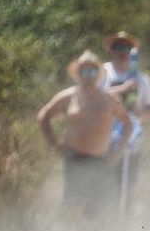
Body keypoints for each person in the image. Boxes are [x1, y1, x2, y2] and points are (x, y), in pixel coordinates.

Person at [37, 50, 132, 217]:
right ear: (79, 73)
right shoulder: (67, 96)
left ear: (98, 74)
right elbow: (43, 116)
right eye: (85, 71)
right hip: (75, 159)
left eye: (92, 71)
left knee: (100, 206)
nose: (88, 75)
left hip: (101, 159)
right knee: (73, 205)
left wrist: (119, 152)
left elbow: (128, 124)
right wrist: (53, 144)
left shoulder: (109, 99)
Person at [101, 31, 150, 205]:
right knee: (102, 184)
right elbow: (92, 97)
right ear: (111, 50)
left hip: (130, 139)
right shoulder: (102, 74)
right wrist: (122, 89)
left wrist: (137, 117)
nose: (122, 51)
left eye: (126, 47)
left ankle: (124, 224)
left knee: (127, 185)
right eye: (118, 47)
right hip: (102, 137)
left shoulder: (141, 79)